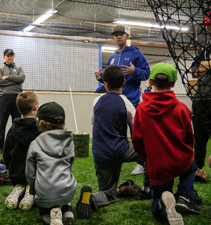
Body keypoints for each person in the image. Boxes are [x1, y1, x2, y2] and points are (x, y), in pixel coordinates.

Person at [76, 66, 150, 220]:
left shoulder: (96, 101)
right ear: (124, 82)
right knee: (150, 151)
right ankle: (147, 189)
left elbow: (93, 123)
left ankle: (91, 198)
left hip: (99, 152)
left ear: (105, 84)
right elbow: (137, 128)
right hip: (120, 149)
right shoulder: (127, 103)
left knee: (107, 193)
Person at [132, 63, 201, 225]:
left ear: (150, 81)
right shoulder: (181, 108)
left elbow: (137, 139)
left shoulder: (141, 109)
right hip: (180, 160)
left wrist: (147, 158)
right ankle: (184, 195)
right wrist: (186, 153)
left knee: (158, 196)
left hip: (157, 165)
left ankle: (162, 203)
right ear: (173, 83)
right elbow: (190, 138)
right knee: (191, 167)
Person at [95, 25, 150, 176]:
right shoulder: (112, 58)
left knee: (136, 133)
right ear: (113, 38)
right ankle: (116, 159)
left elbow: (147, 73)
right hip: (115, 102)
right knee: (117, 133)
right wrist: (101, 79)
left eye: (121, 34)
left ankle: (141, 163)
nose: (119, 37)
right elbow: (111, 80)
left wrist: (135, 71)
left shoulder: (136, 54)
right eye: (116, 34)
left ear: (126, 36)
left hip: (132, 101)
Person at [26, 102, 76, 225]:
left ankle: (48, 214)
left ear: (40, 122)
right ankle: (67, 209)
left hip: (44, 193)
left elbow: (30, 174)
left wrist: (33, 192)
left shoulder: (35, 144)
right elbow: (70, 166)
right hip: (67, 191)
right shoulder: (70, 142)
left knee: (43, 206)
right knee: (64, 182)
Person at [4, 92, 41, 211]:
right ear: (35, 107)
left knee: (19, 179)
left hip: (16, 173)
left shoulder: (13, 127)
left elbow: (6, 151)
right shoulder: (40, 128)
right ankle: (30, 190)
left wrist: (9, 168)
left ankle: (19, 188)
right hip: (35, 174)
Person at [191, 11, 211, 183]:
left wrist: (206, 65)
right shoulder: (205, 47)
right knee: (199, 137)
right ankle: (197, 169)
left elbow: (203, 67)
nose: (209, 28)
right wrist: (206, 65)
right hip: (200, 98)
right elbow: (195, 71)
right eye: (207, 25)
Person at [0, 48, 25, 155]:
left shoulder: (19, 68)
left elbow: (21, 79)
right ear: (4, 57)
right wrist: (14, 81)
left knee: (17, 122)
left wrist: (8, 77)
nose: (10, 57)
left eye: (12, 55)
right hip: (4, 98)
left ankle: (16, 145)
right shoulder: (0, 68)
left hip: (17, 98)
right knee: (1, 123)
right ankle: (0, 148)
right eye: (8, 55)